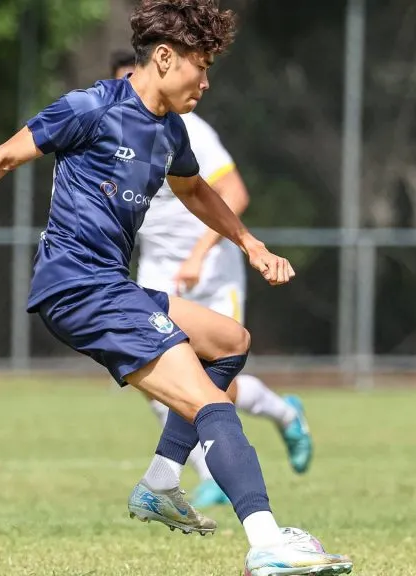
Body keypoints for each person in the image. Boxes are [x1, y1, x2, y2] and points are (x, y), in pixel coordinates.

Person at [0, 1, 352, 574]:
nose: (206, 82)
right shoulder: (92, 108)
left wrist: (250, 245)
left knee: (230, 341)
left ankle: (161, 480)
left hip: (110, 286)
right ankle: (267, 542)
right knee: (210, 402)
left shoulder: (169, 130)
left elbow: (195, 191)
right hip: (76, 288)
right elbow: (4, 157)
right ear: (163, 57)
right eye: (199, 66)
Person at [110, 50, 313, 510]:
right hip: (159, 268)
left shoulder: (190, 129)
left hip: (211, 269)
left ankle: (283, 415)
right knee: (152, 380)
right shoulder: (114, 126)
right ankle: (207, 476)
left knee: (207, 377)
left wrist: (200, 254)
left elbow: (234, 193)